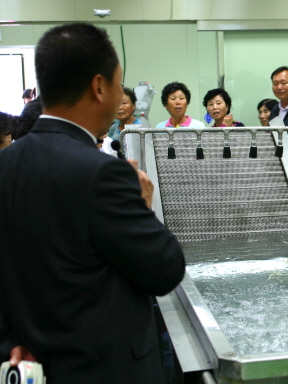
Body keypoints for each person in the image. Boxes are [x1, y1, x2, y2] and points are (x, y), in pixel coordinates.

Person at [0, 23, 185, 382]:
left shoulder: (6, 163)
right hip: (104, 368)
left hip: (28, 365)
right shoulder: (102, 173)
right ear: (99, 87)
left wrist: (11, 340)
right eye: (119, 84)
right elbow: (164, 269)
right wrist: (143, 206)